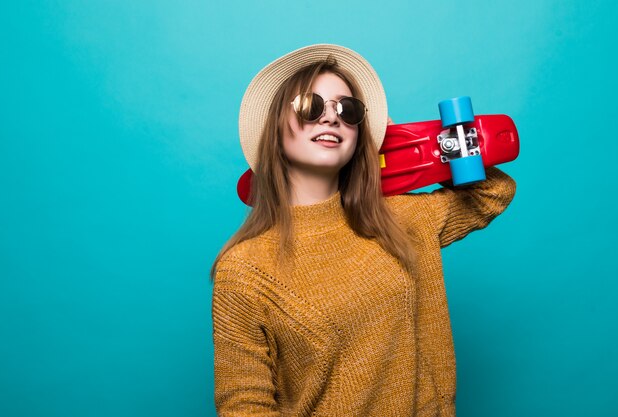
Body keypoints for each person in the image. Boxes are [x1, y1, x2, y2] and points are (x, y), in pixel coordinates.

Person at [211, 44, 516, 417]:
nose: (331, 118)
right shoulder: (244, 271)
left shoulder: (400, 219)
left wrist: (403, 144)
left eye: (348, 110)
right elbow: (245, 407)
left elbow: (493, 192)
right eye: (311, 106)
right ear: (274, 126)